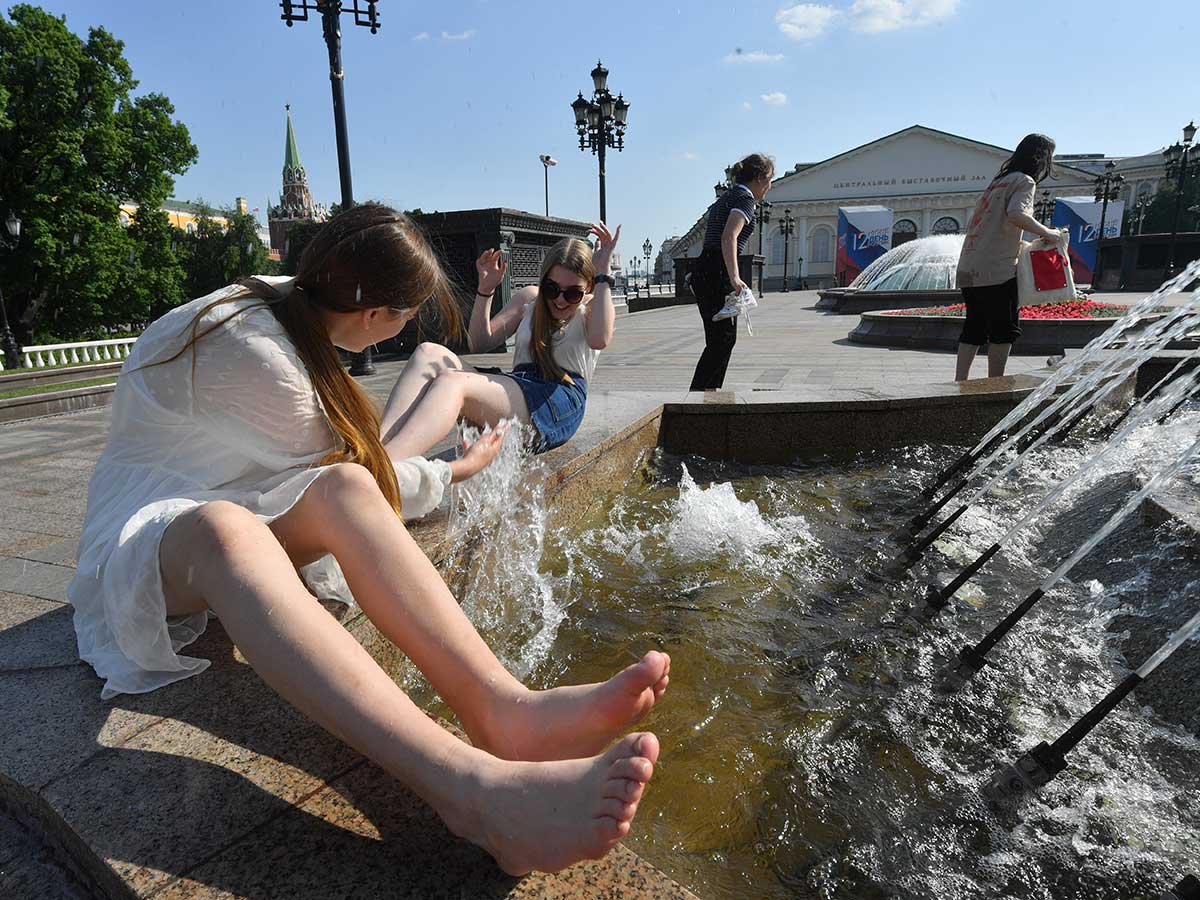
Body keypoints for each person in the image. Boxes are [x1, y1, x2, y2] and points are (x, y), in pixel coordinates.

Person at [66, 204, 669, 875]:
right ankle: (473, 794)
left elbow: (350, 483)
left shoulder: (284, 305)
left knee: (339, 492)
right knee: (227, 531)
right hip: (145, 540)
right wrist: (449, 470)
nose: (407, 331)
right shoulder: (262, 357)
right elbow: (374, 479)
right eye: (407, 315)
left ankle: (506, 713)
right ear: (375, 316)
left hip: (235, 499)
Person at [378, 224, 619, 457]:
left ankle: (387, 467)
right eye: (552, 289)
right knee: (427, 353)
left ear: (587, 287)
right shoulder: (530, 299)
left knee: (452, 382)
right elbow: (480, 342)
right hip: (518, 386)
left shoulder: (592, 307)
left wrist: (602, 276)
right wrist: (486, 290)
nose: (560, 300)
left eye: (573, 293)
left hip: (558, 399)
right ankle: (376, 449)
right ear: (543, 280)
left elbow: (600, 339)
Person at [955, 133, 1063, 381]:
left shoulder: (997, 183)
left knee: (974, 327)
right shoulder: (1024, 181)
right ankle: (996, 385)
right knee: (1004, 330)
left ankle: (959, 383)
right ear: (1042, 158)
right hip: (998, 269)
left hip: (970, 265)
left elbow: (991, 226)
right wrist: (1049, 233)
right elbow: (1016, 214)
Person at [688, 153, 775, 391]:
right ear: (759, 177)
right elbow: (729, 236)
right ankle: (701, 400)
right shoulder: (744, 199)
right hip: (718, 271)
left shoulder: (727, 196)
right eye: (769, 179)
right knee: (723, 340)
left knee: (718, 340)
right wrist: (735, 277)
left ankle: (703, 396)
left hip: (706, 269)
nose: (770, 185)